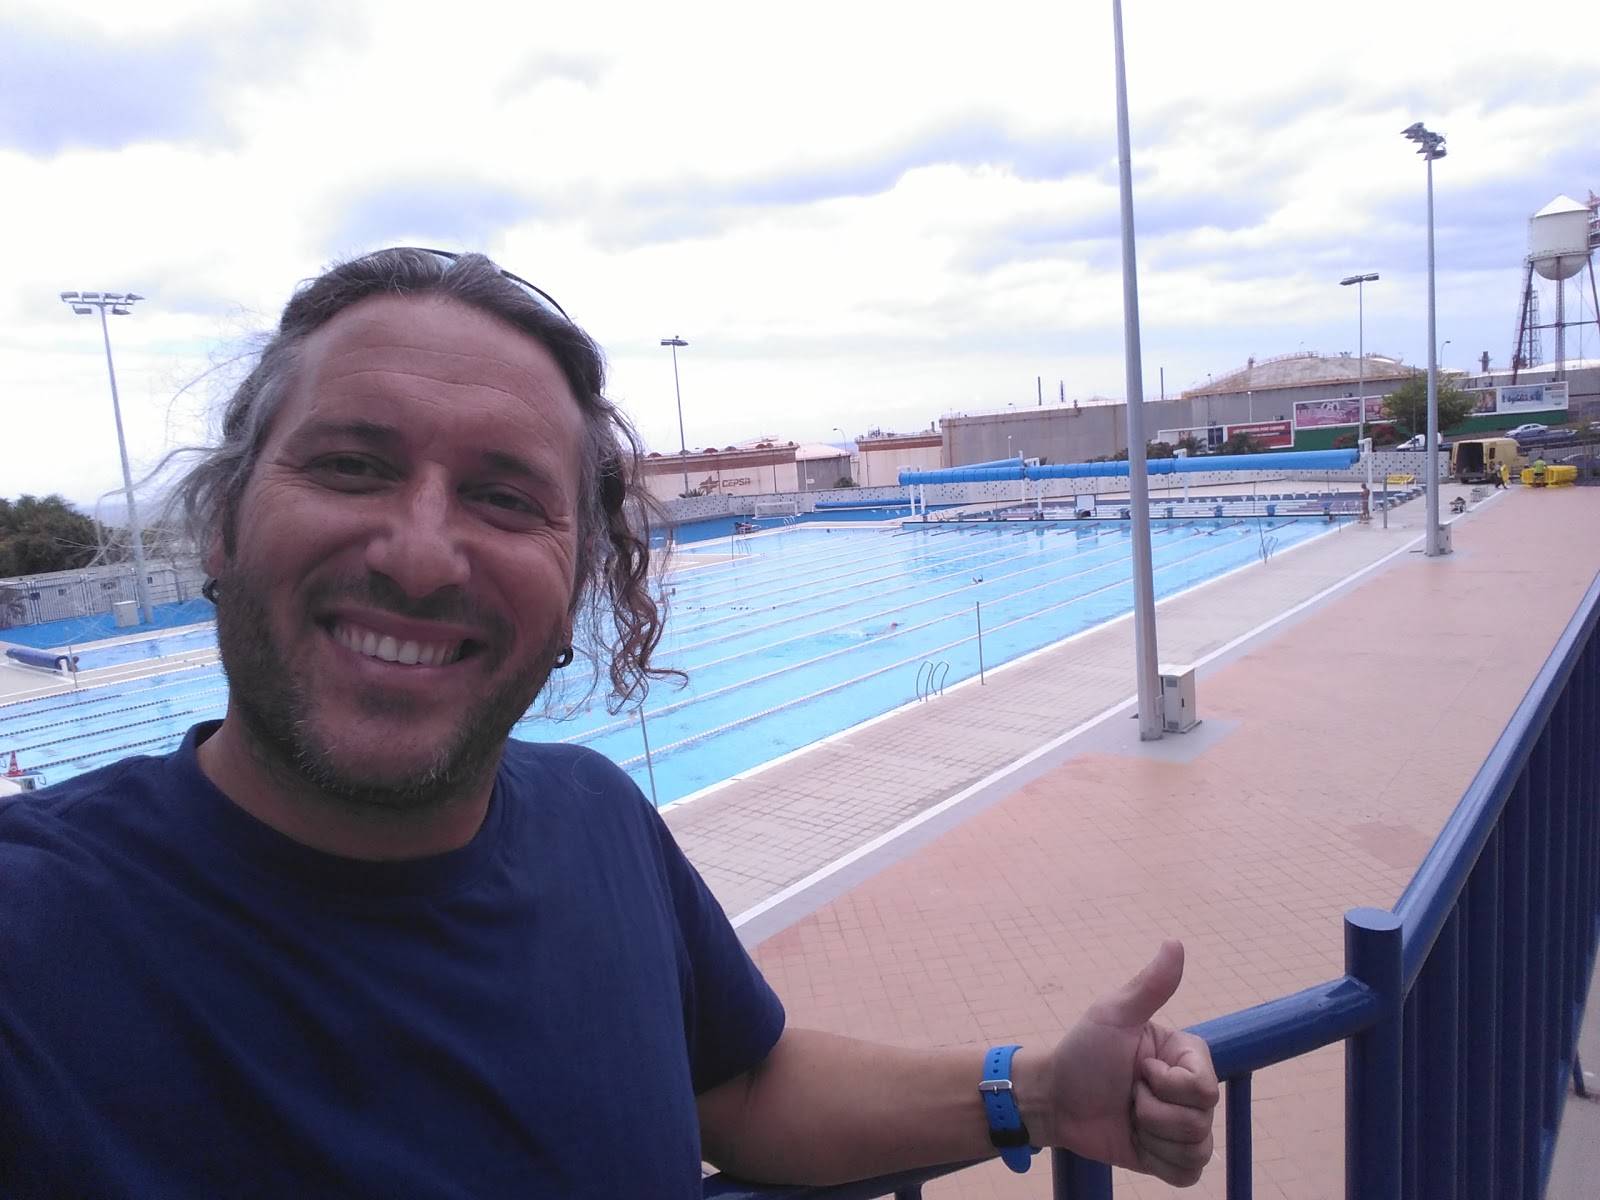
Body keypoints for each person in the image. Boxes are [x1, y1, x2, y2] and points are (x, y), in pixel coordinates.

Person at [0, 249, 1217, 1196]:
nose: (420, 555)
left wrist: (1039, 1094)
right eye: (352, 467)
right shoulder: (39, 941)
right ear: (221, 526)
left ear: (578, 582)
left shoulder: (596, 820)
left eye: (502, 497)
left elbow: (741, 1088)